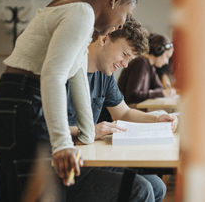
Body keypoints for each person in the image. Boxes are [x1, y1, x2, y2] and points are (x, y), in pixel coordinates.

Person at [0, 0, 143, 202]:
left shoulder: (67, 6)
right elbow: (53, 75)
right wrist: (62, 145)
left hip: (7, 106)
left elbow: (76, 74)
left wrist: (87, 132)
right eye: (126, 14)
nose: (122, 24)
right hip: (25, 107)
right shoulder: (82, 14)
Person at [66, 19, 177, 202]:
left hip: (90, 161)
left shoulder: (104, 74)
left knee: (157, 186)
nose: (125, 64)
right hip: (67, 167)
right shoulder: (66, 71)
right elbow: (45, 127)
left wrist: (157, 119)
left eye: (129, 59)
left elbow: (124, 113)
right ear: (105, 38)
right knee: (140, 190)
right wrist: (88, 131)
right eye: (124, 54)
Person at [117, 33, 176, 105]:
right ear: (158, 51)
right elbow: (132, 95)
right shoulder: (141, 63)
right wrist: (159, 93)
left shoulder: (151, 67)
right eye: (167, 56)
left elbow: (159, 88)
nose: (167, 62)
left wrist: (154, 93)